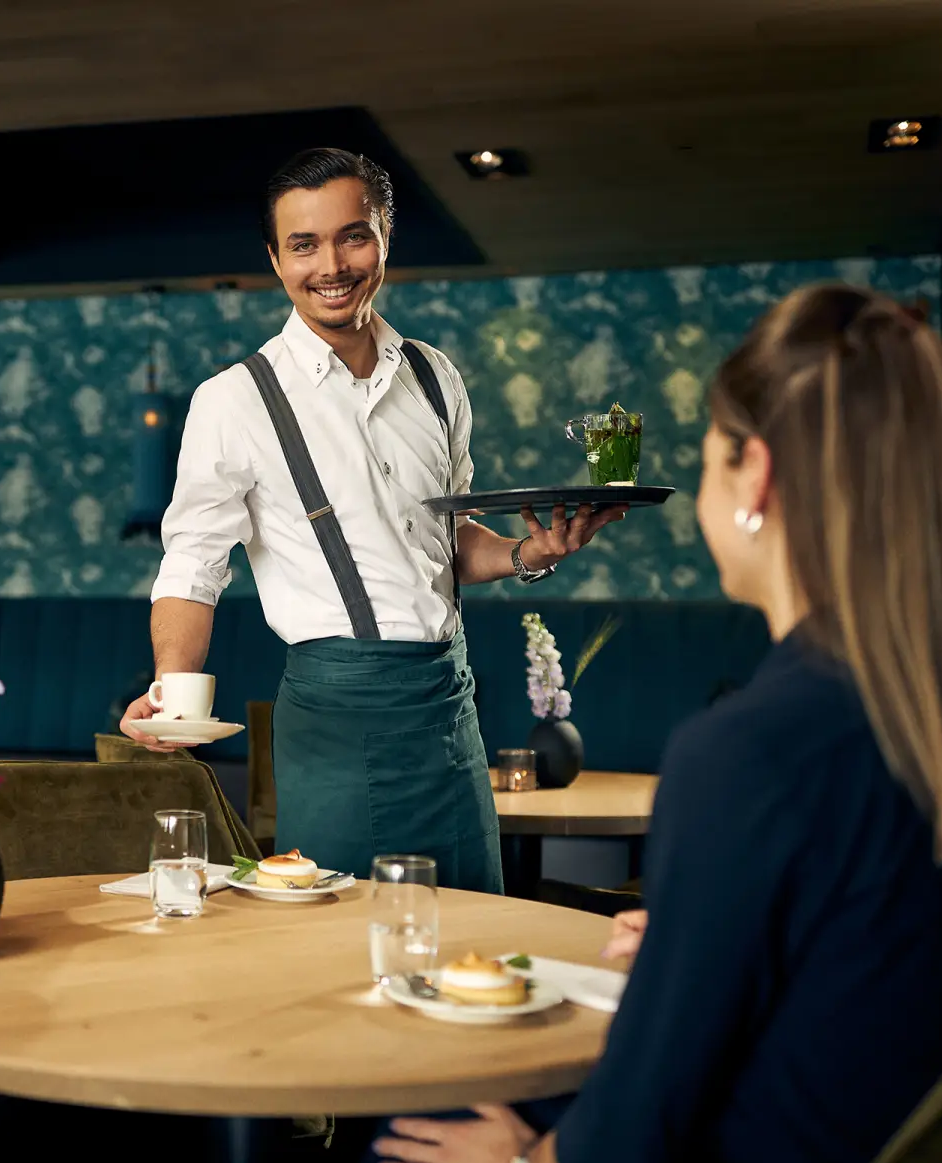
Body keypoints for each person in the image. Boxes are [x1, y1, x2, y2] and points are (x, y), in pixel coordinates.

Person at [313, 282, 942, 1163]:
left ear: (752, 475)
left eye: (710, 453)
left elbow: (642, 1114)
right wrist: (691, 944)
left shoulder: (745, 749)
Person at [118, 147, 621, 893]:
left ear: (386, 235)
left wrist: (528, 553)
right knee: (344, 952)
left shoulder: (435, 376)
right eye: (303, 244)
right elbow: (194, 561)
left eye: (353, 235)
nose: (332, 264)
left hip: (450, 710)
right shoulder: (235, 400)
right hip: (338, 720)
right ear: (275, 258)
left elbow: (445, 547)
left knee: (471, 929)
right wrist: (173, 684)